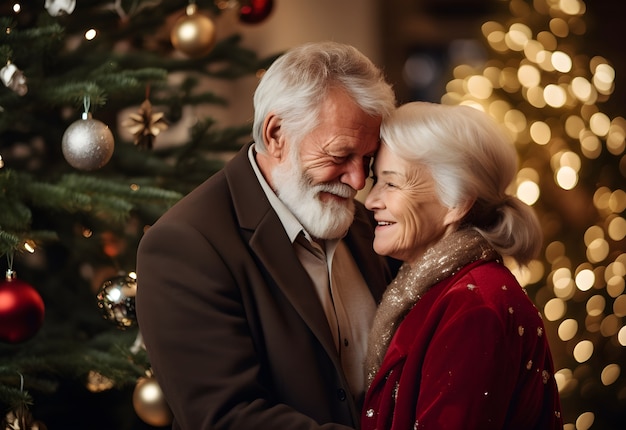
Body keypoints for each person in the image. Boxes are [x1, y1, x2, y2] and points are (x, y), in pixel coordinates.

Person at [135, 41, 397, 429]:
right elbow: (227, 417)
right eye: (340, 156)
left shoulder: (368, 226)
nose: (358, 181)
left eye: (367, 160)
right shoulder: (184, 245)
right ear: (276, 134)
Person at [360, 101, 563, 430]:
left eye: (392, 183)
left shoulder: (474, 307)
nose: (371, 200)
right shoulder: (436, 288)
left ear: (456, 202)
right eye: (375, 181)